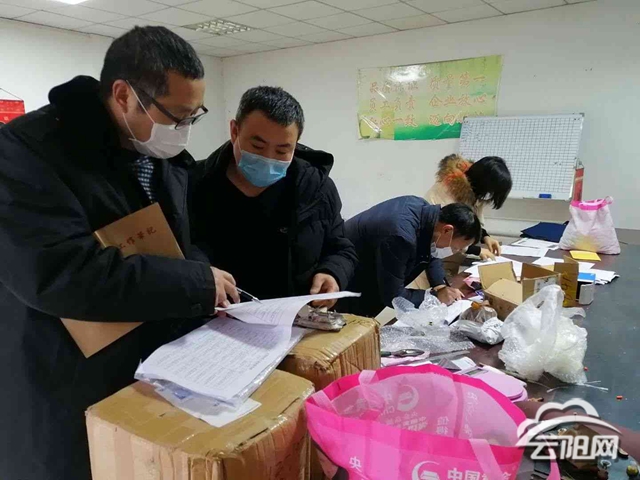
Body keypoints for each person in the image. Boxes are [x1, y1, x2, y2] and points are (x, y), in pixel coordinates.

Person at [0, 27, 238, 480]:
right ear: (124, 95)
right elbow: (61, 274)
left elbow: (172, 242)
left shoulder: (156, 149)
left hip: (146, 370)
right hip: (65, 381)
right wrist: (193, 283)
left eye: (194, 116)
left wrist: (203, 272)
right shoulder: (27, 153)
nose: (184, 130)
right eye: (176, 116)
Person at [190, 86, 357, 308]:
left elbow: (341, 248)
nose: (268, 158)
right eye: (257, 146)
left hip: (293, 319)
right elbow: (176, 251)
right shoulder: (193, 184)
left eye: (282, 151)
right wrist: (201, 274)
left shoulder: (315, 188)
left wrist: (332, 273)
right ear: (234, 131)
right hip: (216, 319)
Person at [338, 197, 481, 318]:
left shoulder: (426, 212)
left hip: (362, 262)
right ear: (447, 230)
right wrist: (435, 298)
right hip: (347, 275)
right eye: (456, 248)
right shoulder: (401, 237)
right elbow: (393, 296)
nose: (455, 252)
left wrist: (440, 285)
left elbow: (432, 252)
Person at [425, 154, 512, 261]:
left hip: (449, 248)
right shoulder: (447, 190)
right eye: (489, 192)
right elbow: (451, 234)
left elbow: (470, 221)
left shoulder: (473, 190)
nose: (487, 197)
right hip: (434, 249)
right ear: (484, 185)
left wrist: (485, 237)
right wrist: (477, 250)